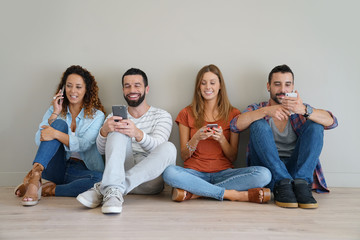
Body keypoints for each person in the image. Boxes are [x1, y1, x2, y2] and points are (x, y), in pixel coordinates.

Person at [230, 64, 338, 209]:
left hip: (296, 172)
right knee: (258, 124)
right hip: (268, 172)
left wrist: (303, 110)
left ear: (293, 87)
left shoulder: (300, 109)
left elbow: (332, 121)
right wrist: (266, 111)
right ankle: (283, 183)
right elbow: (235, 125)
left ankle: (302, 185)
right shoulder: (259, 108)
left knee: (316, 124)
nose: (282, 90)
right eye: (277, 84)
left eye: (287, 85)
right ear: (268, 86)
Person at [163, 64, 272, 203]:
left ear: (220, 86)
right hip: (194, 173)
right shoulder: (186, 113)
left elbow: (232, 157)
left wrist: (221, 139)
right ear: (198, 87)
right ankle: (233, 195)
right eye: (203, 83)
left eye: (212, 83)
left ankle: (197, 192)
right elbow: (184, 156)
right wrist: (195, 139)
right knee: (169, 173)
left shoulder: (234, 114)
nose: (208, 87)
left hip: (224, 174)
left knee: (264, 174)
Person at [76, 68, 176, 214]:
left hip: (149, 179)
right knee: (117, 132)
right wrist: (104, 131)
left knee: (169, 148)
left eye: (137, 85)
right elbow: (102, 151)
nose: (132, 90)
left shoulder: (162, 115)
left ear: (146, 89)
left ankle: (106, 188)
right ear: (123, 90)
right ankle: (113, 190)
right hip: (119, 171)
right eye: (127, 86)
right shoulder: (113, 116)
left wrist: (137, 134)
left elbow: (158, 148)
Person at [15, 65, 106, 206]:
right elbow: (39, 139)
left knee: (101, 180)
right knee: (58, 124)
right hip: (57, 166)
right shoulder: (54, 110)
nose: (73, 91)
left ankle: (49, 189)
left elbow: (85, 144)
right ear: (63, 88)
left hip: (81, 170)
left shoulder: (97, 115)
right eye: (69, 86)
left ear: (86, 89)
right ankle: (35, 178)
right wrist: (55, 114)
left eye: (78, 87)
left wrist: (56, 134)